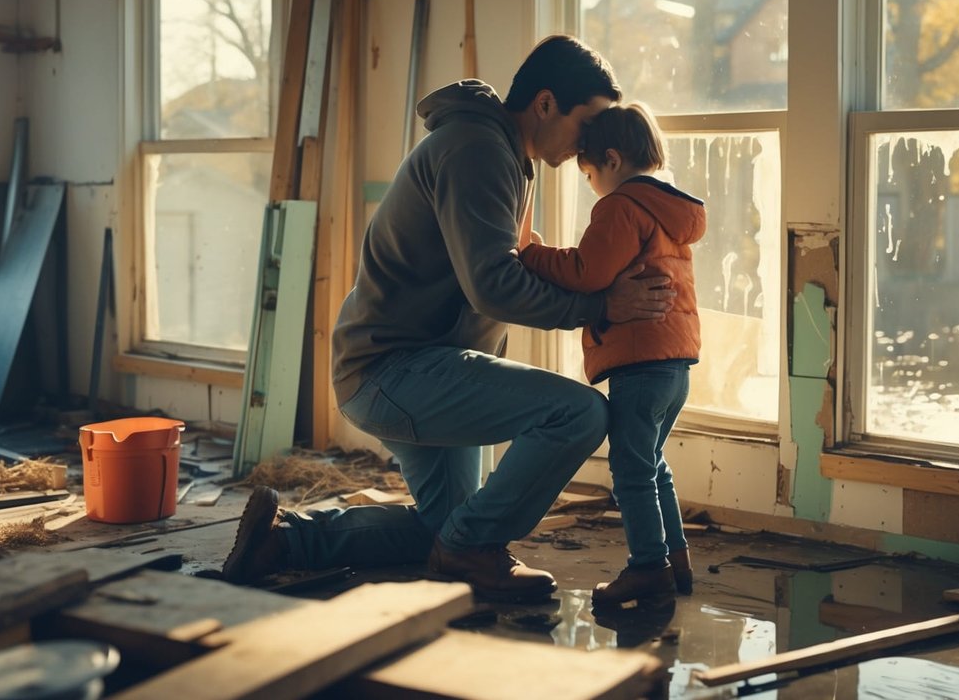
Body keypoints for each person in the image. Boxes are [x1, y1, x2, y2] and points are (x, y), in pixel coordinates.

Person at [221, 35, 674, 603]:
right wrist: (601, 309)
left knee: (446, 529)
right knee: (580, 414)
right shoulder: (478, 150)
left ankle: (283, 544)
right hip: (394, 370)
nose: (594, 141)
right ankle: (472, 549)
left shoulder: (510, 157)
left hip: (419, 366)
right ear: (545, 103)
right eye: (588, 123)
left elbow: (516, 264)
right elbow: (492, 287)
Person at [518, 103, 703, 607]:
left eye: (589, 174)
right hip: (675, 362)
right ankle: (676, 558)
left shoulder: (621, 206)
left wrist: (531, 253)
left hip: (641, 362)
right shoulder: (668, 211)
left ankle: (648, 568)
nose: (591, 185)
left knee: (630, 470)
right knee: (651, 463)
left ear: (613, 160)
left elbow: (587, 272)